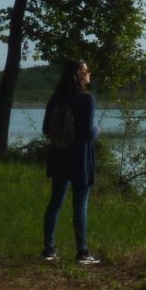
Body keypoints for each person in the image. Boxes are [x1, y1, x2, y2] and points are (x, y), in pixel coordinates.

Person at [41, 59, 100, 265]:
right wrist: (97, 130)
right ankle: (82, 253)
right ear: (79, 74)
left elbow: (45, 129)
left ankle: (49, 249)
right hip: (80, 158)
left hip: (58, 155)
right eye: (86, 70)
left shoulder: (56, 98)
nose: (89, 74)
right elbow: (87, 135)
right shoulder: (86, 99)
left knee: (55, 203)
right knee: (80, 205)